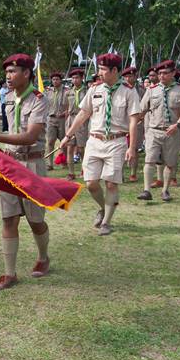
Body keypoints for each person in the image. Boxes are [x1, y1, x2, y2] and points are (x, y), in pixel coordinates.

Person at [0, 53, 50, 290]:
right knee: (8, 218)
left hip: (32, 165)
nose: (8, 76)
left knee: (35, 220)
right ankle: (10, 273)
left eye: (12, 71)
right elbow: (11, 132)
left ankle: (43, 257)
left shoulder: (39, 99)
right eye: (7, 72)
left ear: (26, 73)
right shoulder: (8, 98)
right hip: (9, 165)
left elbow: (30, 137)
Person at [60, 53, 140, 236]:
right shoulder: (94, 89)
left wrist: (132, 147)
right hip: (95, 141)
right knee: (91, 183)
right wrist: (67, 135)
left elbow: (133, 121)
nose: (99, 73)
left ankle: (106, 222)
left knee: (111, 184)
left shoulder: (129, 91)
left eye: (103, 69)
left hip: (116, 141)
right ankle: (104, 208)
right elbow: (83, 114)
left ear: (114, 70)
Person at [137, 60, 180, 202]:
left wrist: (178, 125)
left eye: (165, 73)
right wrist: (133, 122)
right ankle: (146, 190)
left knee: (170, 162)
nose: (161, 76)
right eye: (160, 73)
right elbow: (142, 109)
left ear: (173, 73)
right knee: (149, 160)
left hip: (172, 131)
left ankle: (165, 190)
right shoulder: (152, 90)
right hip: (154, 130)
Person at [121, 66, 144, 182]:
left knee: (134, 148)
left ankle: (133, 173)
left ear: (135, 77)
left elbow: (145, 106)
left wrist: (141, 118)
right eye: (126, 76)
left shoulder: (142, 90)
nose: (128, 79)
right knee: (120, 149)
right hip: (123, 123)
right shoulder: (120, 90)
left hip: (137, 122)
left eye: (130, 76)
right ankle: (120, 173)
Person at [63, 68, 88, 180]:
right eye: (72, 78)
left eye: (77, 77)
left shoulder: (87, 91)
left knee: (81, 148)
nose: (74, 80)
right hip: (71, 119)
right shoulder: (68, 92)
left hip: (82, 119)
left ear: (82, 78)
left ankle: (85, 170)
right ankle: (71, 172)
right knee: (70, 147)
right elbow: (66, 107)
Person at [45, 71, 67, 171]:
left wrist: (66, 112)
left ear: (61, 80)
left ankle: (64, 162)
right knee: (50, 142)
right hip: (51, 119)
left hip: (62, 119)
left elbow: (71, 104)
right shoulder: (48, 92)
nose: (55, 81)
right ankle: (50, 164)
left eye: (57, 79)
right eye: (53, 79)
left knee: (63, 142)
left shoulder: (67, 91)